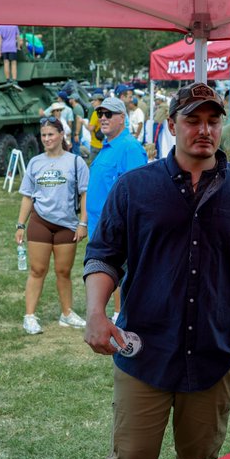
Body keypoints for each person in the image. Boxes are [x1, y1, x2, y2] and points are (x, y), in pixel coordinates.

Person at [82, 82, 230, 459]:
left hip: (216, 354)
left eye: (213, 120)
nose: (204, 129)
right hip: (145, 352)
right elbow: (104, 255)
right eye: (192, 119)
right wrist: (95, 312)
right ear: (172, 125)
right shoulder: (135, 188)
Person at [16, 116, 89, 335]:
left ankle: (66, 314)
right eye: (43, 135)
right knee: (37, 270)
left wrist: (83, 223)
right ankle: (29, 316)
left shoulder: (76, 162)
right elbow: (28, 196)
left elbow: (85, 194)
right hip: (40, 223)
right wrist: (20, 224)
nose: (46, 139)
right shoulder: (35, 162)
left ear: (61, 135)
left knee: (63, 271)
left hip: (67, 224)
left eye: (51, 134)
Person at [84, 96, 145, 321]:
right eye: (100, 114)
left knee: (121, 275)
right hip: (99, 228)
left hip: (117, 230)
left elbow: (138, 194)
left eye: (109, 114)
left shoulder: (129, 147)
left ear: (122, 118)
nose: (103, 118)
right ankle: (118, 316)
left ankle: (122, 318)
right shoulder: (107, 146)